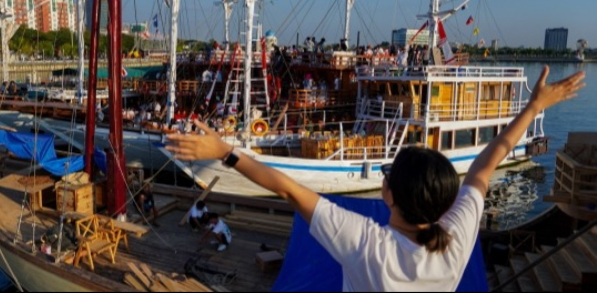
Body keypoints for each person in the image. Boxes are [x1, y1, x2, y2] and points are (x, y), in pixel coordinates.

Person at [165, 66, 585, 291]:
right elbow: (489, 161)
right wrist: (533, 109)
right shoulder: (455, 241)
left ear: (388, 193)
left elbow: (286, 187)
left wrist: (223, 151)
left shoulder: (369, 246)